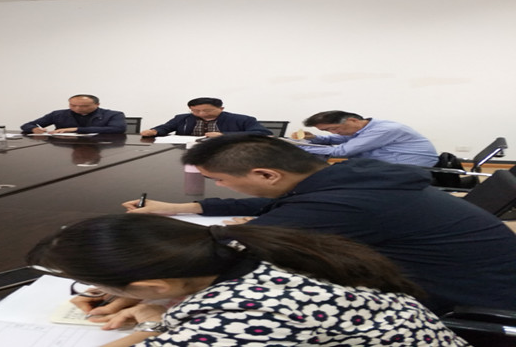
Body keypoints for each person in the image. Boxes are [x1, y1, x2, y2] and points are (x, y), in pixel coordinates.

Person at [123, 135, 516, 315]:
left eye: (220, 180)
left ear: (267, 174)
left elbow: (230, 255)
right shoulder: (349, 177)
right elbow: (274, 203)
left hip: (468, 300)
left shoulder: (338, 205)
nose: (221, 187)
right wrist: (180, 206)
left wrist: (144, 286)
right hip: (468, 276)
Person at [28, 214, 469, 347]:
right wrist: (159, 311)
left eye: (103, 286)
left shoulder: (243, 317)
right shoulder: (254, 249)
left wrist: (155, 320)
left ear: (155, 285)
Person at [291, 110, 438, 166]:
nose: (334, 132)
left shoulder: (384, 129)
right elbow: (336, 140)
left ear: (353, 120)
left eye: (333, 128)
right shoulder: (365, 129)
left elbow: (341, 151)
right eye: (326, 130)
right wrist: (314, 138)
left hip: (407, 168)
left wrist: (295, 147)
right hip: (387, 165)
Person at [140, 97, 271, 137]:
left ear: (221, 109)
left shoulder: (242, 119)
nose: (201, 114)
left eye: (207, 110)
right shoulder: (182, 118)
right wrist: (154, 131)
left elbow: (263, 133)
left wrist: (223, 135)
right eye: (196, 111)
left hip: (225, 151)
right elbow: (166, 127)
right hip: (189, 151)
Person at [20, 94, 126, 134]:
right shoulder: (58, 114)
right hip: (67, 145)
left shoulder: (114, 114)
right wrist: (34, 129)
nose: (77, 108)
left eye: (84, 106)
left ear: (97, 104)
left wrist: (76, 129)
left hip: (100, 145)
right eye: (73, 105)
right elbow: (26, 125)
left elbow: (118, 129)